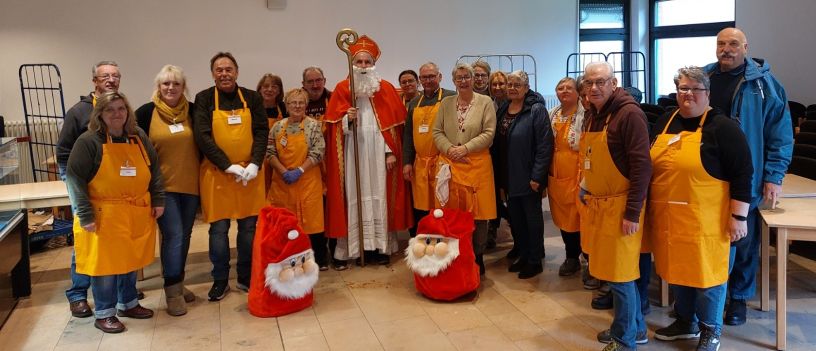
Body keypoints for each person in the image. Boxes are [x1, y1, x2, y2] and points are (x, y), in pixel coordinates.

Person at [649, 66, 753, 351]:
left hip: (709, 222)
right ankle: (685, 322)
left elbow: (743, 175)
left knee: (709, 279)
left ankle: (710, 332)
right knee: (679, 273)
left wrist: (738, 216)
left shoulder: (724, 128)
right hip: (671, 220)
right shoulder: (665, 122)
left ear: (707, 93)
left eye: (695, 89)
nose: (688, 94)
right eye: (683, 88)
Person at [703, 27, 793, 326]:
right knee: (706, 237)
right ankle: (708, 291)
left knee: (742, 240)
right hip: (706, 175)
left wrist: (774, 176)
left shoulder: (764, 84)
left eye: (732, 44)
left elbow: (780, 134)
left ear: (745, 47)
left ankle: (738, 298)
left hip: (746, 174)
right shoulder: (705, 78)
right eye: (720, 44)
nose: (725, 49)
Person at [66, 91, 164, 333]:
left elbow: (155, 171)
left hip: (135, 212)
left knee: (130, 259)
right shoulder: (88, 141)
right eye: (110, 110)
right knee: (106, 266)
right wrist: (85, 214)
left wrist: (158, 199)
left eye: (121, 109)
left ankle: (128, 303)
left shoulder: (138, 137)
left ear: (128, 112)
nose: (116, 114)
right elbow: (74, 179)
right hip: (104, 214)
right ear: (100, 114)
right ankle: (104, 312)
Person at [578, 62, 651, 351]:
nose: (594, 88)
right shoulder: (594, 114)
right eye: (589, 83)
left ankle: (624, 341)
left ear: (614, 83)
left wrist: (633, 212)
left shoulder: (629, 114)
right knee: (614, 273)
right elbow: (593, 156)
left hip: (622, 207)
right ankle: (637, 329)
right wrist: (586, 184)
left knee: (620, 277)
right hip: (600, 205)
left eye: (600, 82)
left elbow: (642, 166)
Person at [324, 35, 412, 265]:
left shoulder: (386, 89)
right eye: (359, 62)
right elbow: (331, 127)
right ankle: (352, 249)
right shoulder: (343, 89)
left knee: (380, 194)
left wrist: (389, 151)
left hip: (378, 156)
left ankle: (380, 247)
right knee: (354, 194)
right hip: (353, 154)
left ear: (374, 64)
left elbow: (393, 128)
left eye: (367, 62)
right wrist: (346, 120)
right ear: (352, 64)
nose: (363, 67)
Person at [193, 52, 268, 301]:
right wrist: (227, 165)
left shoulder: (252, 97)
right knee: (218, 230)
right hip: (217, 174)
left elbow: (261, 131)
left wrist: (255, 163)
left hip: (249, 174)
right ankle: (220, 280)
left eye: (228, 69)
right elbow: (203, 136)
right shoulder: (204, 99)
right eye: (218, 69)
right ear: (212, 73)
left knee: (248, 228)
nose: (224, 73)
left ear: (236, 72)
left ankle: (245, 277)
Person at [56, 60, 126, 318]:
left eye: (115, 76)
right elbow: (63, 154)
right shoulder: (78, 112)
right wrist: (74, 188)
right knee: (86, 241)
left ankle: (119, 292)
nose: (111, 80)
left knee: (115, 241)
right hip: (86, 190)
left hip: (114, 192)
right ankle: (78, 294)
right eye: (105, 76)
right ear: (94, 81)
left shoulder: (122, 108)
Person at [135, 65, 199, 316]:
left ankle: (178, 283)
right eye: (165, 84)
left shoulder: (193, 111)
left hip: (191, 186)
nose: (171, 88)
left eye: (176, 84)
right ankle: (172, 292)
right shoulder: (145, 113)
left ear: (184, 87)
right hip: (162, 188)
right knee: (173, 236)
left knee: (184, 237)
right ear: (158, 87)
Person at [432, 62, 497, 275]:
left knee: (478, 214)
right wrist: (450, 149)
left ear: (474, 79)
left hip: (477, 165)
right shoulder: (446, 103)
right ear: (453, 81)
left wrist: (466, 148)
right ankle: (455, 254)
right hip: (451, 164)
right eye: (459, 78)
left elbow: (488, 133)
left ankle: (477, 256)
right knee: (453, 213)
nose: (463, 81)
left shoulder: (485, 102)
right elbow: (437, 132)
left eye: (467, 77)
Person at [494, 70, 552, 279]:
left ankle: (535, 260)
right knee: (517, 220)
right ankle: (524, 254)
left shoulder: (536, 110)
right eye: (509, 84)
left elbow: (545, 146)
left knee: (532, 220)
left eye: (517, 84)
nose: (512, 88)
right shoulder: (503, 108)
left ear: (526, 88)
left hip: (529, 177)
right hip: (509, 177)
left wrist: (538, 177)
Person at [266, 88, 328, 269]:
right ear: (286, 105)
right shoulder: (277, 127)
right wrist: (283, 171)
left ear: (306, 105)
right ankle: (288, 259)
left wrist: (300, 170)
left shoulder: (313, 125)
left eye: (301, 102)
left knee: (313, 222)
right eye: (293, 102)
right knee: (287, 224)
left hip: (308, 181)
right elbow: (270, 153)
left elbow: (318, 152)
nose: (297, 106)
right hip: (283, 184)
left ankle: (319, 259)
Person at [402, 62, 455, 236]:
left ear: (440, 77)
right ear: (420, 80)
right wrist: (407, 162)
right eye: (424, 77)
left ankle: (445, 242)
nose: (428, 80)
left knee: (443, 204)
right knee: (422, 207)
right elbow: (408, 135)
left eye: (432, 76)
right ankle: (424, 241)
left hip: (444, 162)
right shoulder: (414, 103)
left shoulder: (450, 98)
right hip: (420, 164)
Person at [547, 77, 586, 277]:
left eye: (569, 88)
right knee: (563, 217)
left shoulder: (585, 115)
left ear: (578, 92)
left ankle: (588, 259)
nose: (564, 91)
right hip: (558, 174)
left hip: (579, 173)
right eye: (560, 88)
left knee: (582, 218)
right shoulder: (553, 114)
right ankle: (571, 257)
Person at [486, 70, 509, 251]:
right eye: (494, 84)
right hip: (492, 159)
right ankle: (492, 231)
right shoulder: (490, 104)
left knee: (511, 200)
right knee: (494, 199)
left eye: (502, 83)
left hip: (510, 160)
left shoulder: (513, 104)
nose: (498, 87)